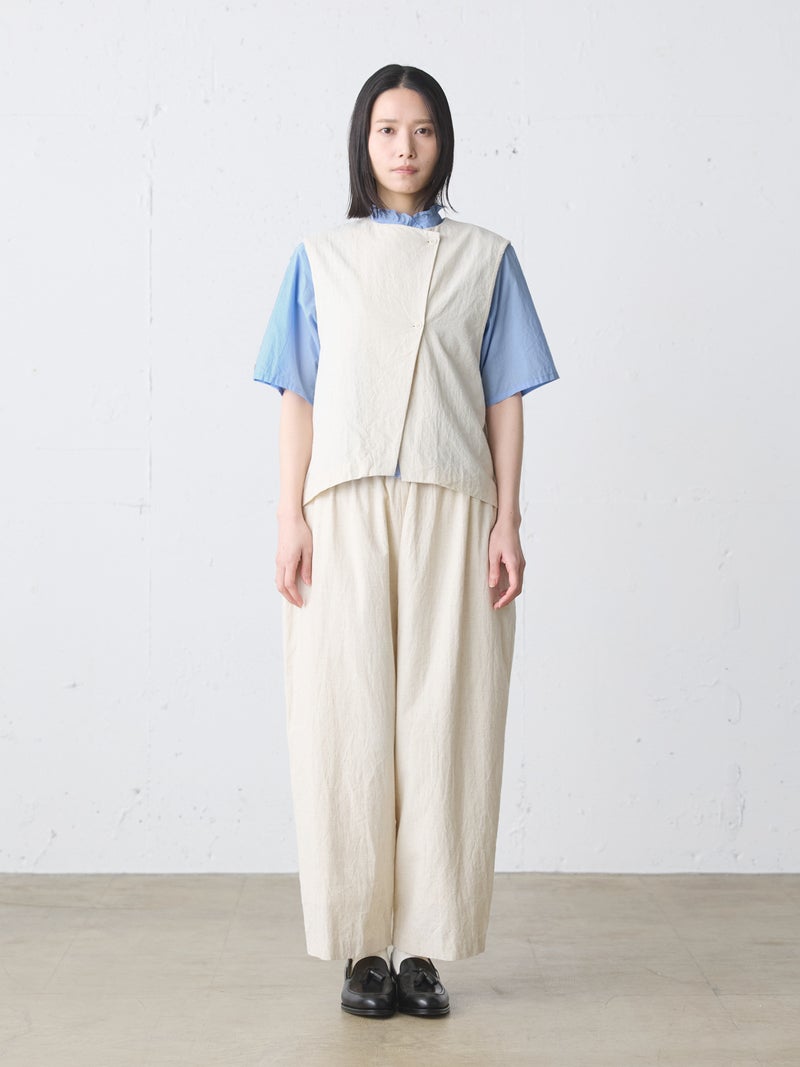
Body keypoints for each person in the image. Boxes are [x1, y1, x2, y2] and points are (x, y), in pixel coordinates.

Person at [253, 63, 559, 1019]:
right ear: (363, 140)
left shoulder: (487, 257)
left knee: (447, 718)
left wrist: (508, 518)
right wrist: (289, 516)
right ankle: (360, 949)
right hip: (342, 507)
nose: (404, 146)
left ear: (443, 141)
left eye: (421, 129)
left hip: (453, 503)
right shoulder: (320, 257)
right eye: (387, 129)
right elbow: (297, 394)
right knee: (341, 717)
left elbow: (505, 399)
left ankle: (423, 948)